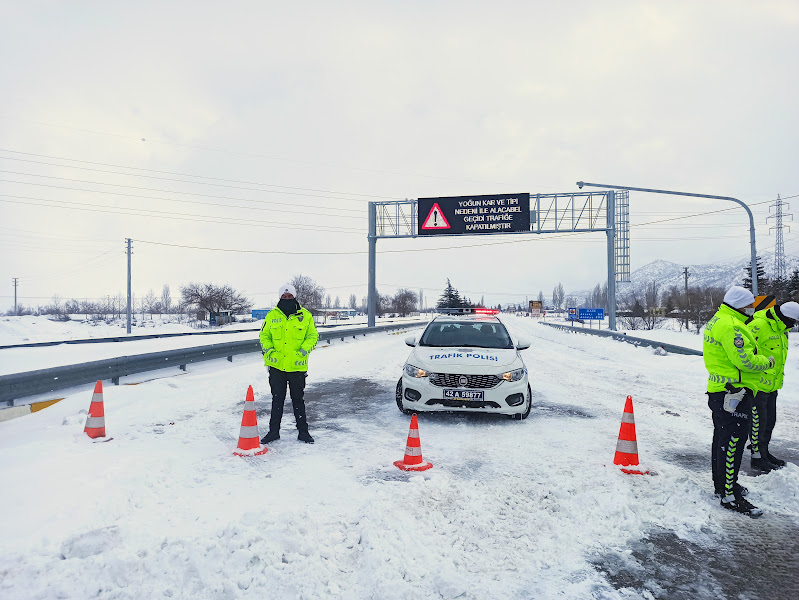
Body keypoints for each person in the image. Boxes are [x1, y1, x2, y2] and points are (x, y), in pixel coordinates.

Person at [703, 285, 774, 517]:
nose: (752, 310)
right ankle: (729, 496)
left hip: (722, 391)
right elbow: (745, 361)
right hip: (734, 392)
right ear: (740, 306)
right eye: (749, 306)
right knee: (732, 443)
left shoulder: (719, 320)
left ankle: (723, 485)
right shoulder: (731, 326)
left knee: (722, 441)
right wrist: (767, 361)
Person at [259, 283, 319, 444]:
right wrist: (269, 350)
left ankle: (303, 432)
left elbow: (313, 336)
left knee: (298, 400)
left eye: (289, 296)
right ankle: (273, 432)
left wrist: (304, 350)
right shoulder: (272, 315)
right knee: (277, 400)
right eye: (284, 297)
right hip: (277, 366)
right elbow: (264, 336)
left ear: (294, 296)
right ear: (280, 297)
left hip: (297, 367)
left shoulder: (305, 316)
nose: (287, 298)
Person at [746, 301, 799, 471]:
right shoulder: (759, 325)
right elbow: (745, 353)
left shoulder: (782, 329)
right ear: (786, 317)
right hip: (757, 385)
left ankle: (764, 452)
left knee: (769, 421)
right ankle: (757, 457)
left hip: (772, 385)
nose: (793, 326)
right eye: (793, 322)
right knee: (758, 423)